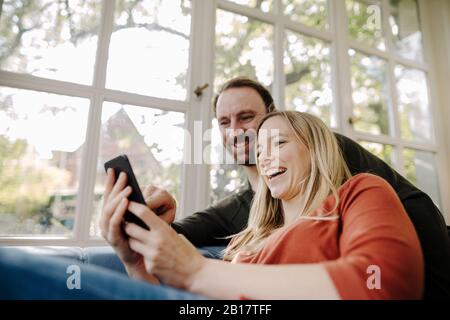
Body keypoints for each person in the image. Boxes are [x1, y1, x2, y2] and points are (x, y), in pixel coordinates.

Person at [0, 111, 424, 299]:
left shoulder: (359, 193)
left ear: (317, 150)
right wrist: (135, 264)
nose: (266, 157)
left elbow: (383, 285)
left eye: (279, 143)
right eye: (260, 149)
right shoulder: (248, 239)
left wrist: (198, 270)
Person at [103, 77, 449, 298]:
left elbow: (382, 280)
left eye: (247, 118)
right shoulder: (246, 218)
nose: (237, 131)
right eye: (224, 122)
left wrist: (199, 271)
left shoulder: (355, 184)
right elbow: (181, 256)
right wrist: (137, 252)